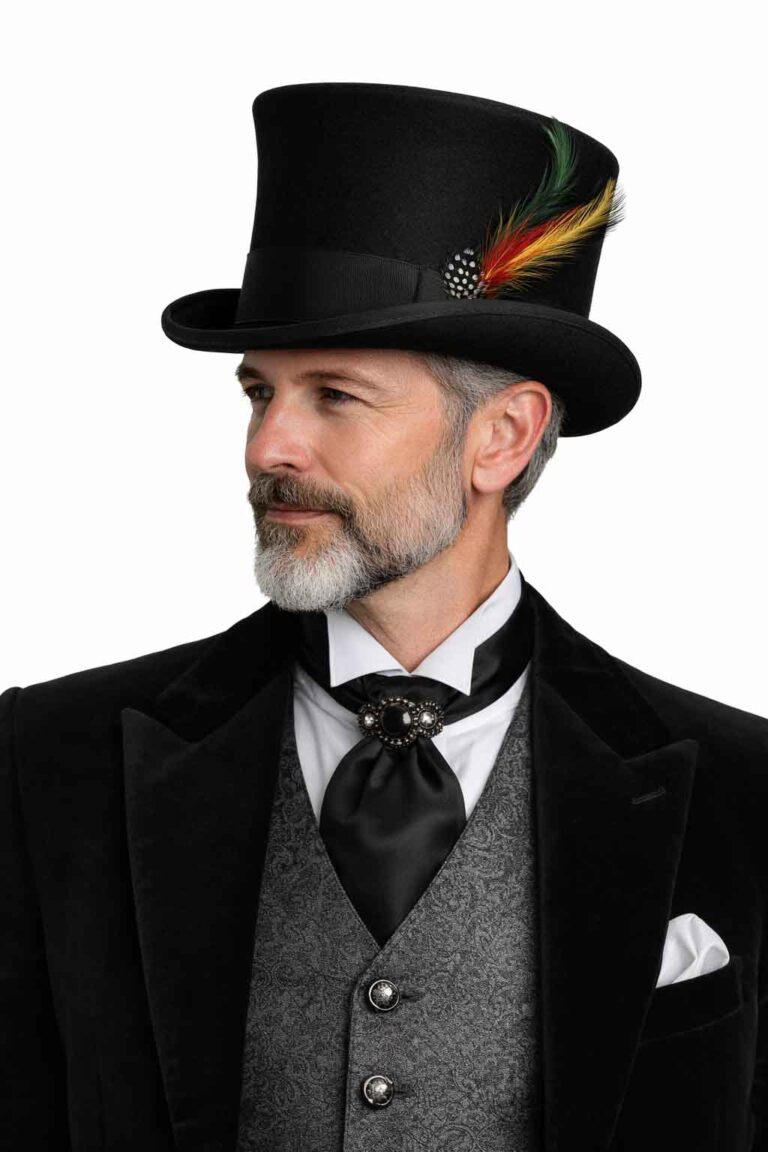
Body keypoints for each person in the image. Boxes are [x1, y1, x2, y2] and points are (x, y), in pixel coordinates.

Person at [2, 81, 766, 1152]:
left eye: (336, 396)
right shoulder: (49, 759)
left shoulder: (744, 791)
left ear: (502, 437)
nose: (269, 448)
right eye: (259, 392)